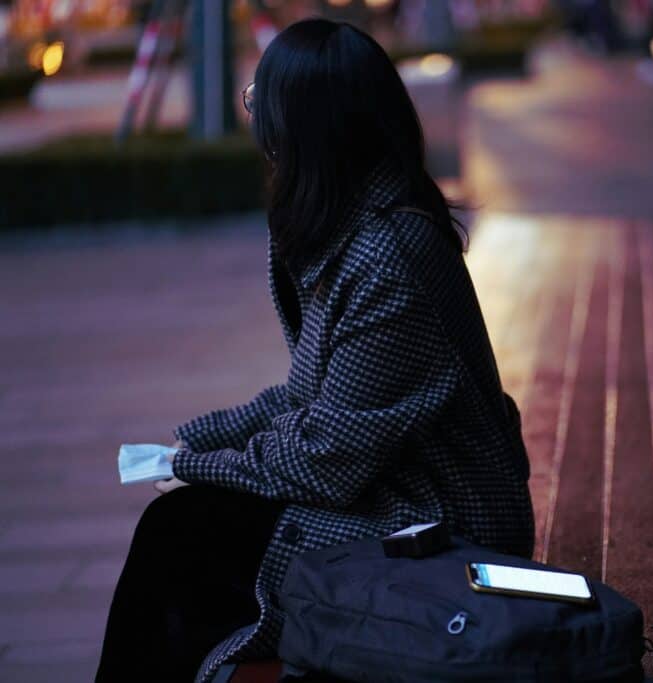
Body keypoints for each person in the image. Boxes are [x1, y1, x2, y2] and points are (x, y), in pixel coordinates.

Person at [95, 17, 536, 683]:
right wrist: (193, 444)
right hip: (392, 485)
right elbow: (310, 399)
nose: (255, 125)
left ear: (299, 129)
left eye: (256, 103)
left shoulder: (389, 260)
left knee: (181, 543)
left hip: (442, 521)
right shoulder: (352, 227)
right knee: (181, 538)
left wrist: (204, 464)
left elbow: (327, 459)